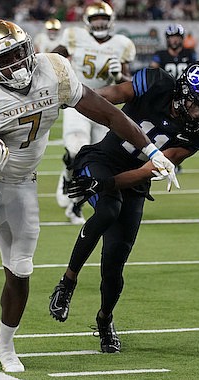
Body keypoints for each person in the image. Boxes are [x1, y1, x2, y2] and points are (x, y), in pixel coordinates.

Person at [0, 20, 177, 373]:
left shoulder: (54, 70)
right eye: (7, 58)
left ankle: (4, 344)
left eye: (21, 52)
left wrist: (151, 151)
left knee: (20, 270)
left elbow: (108, 113)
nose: (19, 63)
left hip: (24, 180)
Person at [49, 60, 199, 353]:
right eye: (197, 106)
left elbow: (151, 169)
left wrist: (107, 185)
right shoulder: (157, 83)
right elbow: (108, 96)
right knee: (107, 210)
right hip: (103, 158)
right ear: (183, 91)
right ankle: (67, 283)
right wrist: (76, 100)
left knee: (114, 264)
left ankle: (105, 319)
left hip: (134, 181)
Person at [53, 1, 137, 225]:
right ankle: (69, 183)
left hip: (104, 106)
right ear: (87, 22)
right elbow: (54, 59)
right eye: (95, 19)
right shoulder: (74, 37)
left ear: (111, 21)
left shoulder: (122, 44)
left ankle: (78, 201)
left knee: (99, 160)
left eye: (103, 18)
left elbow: (128, 83)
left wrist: (120, 76)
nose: (99, 22)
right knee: (75, 148)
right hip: (78, 100)